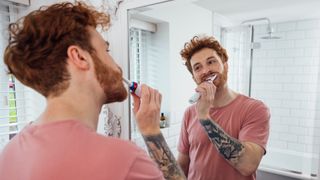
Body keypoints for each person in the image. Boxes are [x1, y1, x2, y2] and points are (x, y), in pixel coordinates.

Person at [0, 2, 185, 180]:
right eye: (107, 50)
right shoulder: (122, 159)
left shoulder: (10, 153)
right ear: (80, 57)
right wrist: (151, 131)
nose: (116, 66)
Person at [177, 35, 270, 180]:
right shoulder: (189, 113)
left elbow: (248, 165)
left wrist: (205, 118)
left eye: (211, 62)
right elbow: (183, 164)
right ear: (194, 77)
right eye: (197, 67)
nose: (206, 71)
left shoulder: (255, 109)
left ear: (225, 65)